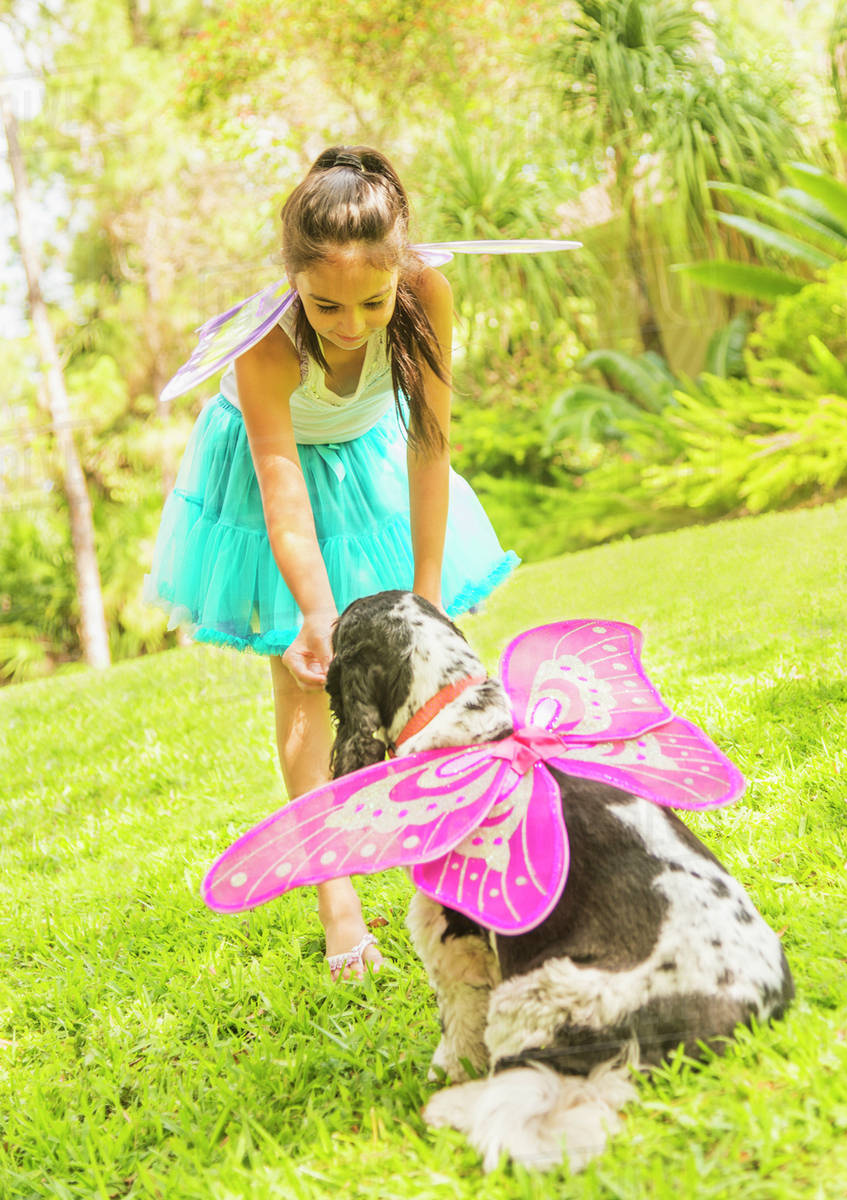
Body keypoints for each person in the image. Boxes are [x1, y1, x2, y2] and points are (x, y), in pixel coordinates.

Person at [145, 145, 518, 980]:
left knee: (428, 676)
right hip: (267, 478)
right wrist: (317, 613)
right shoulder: (267, 343)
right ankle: (339, 906)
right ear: (293, 283)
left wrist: (426, 597)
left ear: (400, 272)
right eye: (325, 306)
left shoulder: (428, 295)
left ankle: (457, 863)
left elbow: (429, 446)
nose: (350, 325)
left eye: (371, 301)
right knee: (306, 685)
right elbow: (283, 495)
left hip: (370, 457)